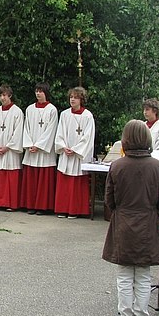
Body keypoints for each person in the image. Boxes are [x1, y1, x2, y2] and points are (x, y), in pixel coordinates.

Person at [102, 120, 159, 316]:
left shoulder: (118, 166)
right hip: (148, 224)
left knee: (124, 276)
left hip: (124, 223)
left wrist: (122, 210)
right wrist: (152, 211)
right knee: (143, 276)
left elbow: (109, 200)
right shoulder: (157, 166)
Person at [54, 86, 95, 219]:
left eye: (76, 97)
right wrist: (63, 147)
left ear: (81, 99)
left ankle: (75, 210)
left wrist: (76, 149)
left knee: (76, 183)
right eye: (71, 97)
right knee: (64, 183)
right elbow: (60, 133)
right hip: (66, 153)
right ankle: (62, 209)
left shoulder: (87, 116)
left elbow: (88, 137)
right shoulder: (65, 114)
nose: (72, 100)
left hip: (77, 156)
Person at [20, 82, 58, 215]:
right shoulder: (30, 109)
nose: (38, 93)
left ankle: (42, 206)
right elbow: (26, 128)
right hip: (31, 149)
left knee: (43, 180)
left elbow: (51, 130)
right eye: (36, 91)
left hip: (44, 152)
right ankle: (30, 205)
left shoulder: (52, 110)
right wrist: (29, 144)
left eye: (40, 91)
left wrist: (39, 145)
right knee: (31, 180)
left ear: (46, 93)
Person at [0, 85, 23, 211]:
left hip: (10, 151)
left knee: (11, 177)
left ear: (10, 96)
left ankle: (11, 204)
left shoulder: (17, 112)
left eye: (4, 95)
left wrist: (8, 147)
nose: (2, 98)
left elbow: (18, 132)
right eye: (0, 95)